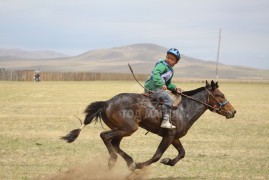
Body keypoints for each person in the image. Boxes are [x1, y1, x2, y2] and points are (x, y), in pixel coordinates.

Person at [144, 48, 182, 129]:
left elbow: (168, 83)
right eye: (168, 57)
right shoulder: (162, 65)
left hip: (158, 88)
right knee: (169, 99)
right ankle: (165, 121)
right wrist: (161, 84)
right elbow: (156, 73)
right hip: (153, 88)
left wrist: (175, 88)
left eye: (172, 59)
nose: (169, 60)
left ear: (176, 62)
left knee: (173, 96)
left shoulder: (170, 70)